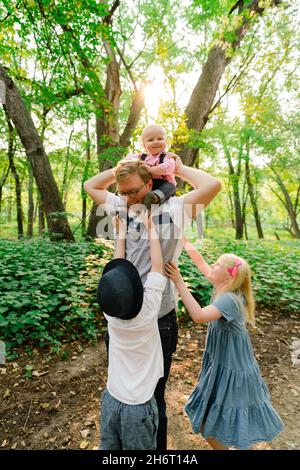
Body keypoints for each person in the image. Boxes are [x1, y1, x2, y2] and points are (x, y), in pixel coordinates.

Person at [84, 154, 221, 450]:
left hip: (158, 318)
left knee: (153, 396)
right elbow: (90, 185)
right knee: (124, 388)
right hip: (122, 318)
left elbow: (213, 184)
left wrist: (178, 168)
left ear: (149, 183)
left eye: (135, 190)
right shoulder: (121, 204)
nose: (128, 197)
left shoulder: (174, 208)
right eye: (123, 191)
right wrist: (123, 168)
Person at [165, 249, 284, 450]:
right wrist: (186, 244)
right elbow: (204, 266)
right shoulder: (227, 288)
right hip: (225, 364)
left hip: (232, 368)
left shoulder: (229, 299)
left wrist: (179, 281)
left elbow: (199, 316)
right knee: (215, 421)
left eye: (218, 264)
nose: (212, 266)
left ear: (229, 276)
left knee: (217, 422)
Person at [97, 213, 166, 450]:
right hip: (139, 408)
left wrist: (121, 234)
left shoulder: (110, 313)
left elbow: (113, 276)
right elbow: (158, 266)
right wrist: (151, 227)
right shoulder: (147, 311)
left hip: (110, 399)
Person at [125, 123, 177, 209]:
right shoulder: (142, 157)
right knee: (136, 185)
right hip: (147, 184)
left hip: (163, 184)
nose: (156, 142)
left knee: (171, 186)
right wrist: (137, 162)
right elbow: (128, 159)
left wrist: (151, 170)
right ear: (144, 145)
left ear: (166, 141)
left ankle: (155, 197)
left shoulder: (167, 156)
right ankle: (132, 200)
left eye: (160, 139)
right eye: (150, 140)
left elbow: (169, 167)